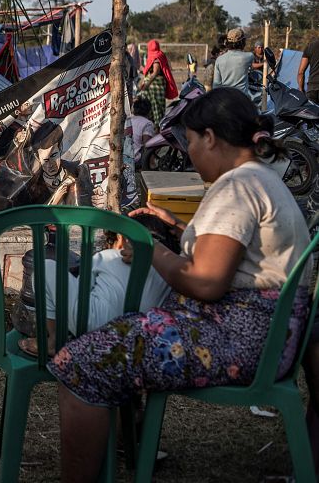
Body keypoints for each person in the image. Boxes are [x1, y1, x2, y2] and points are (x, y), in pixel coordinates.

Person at [48, 87, 311, 483]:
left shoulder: (236, 187)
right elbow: (238, 254)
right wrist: (178, 227)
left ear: (210, 137)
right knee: (121, 335)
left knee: (79, 362)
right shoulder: (260, 179)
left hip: (239, 337)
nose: (188, 152)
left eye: (189, 141)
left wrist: (152, 247)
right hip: (268, 333)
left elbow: (204, 282)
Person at [17, 215, 174, 356]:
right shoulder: (173, 270)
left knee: (46, 268)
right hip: (143, 335)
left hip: (94, 325)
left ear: (123, 239)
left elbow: (83, 288)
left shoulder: (108, 257)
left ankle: (54, 340)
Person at [17, 121, 93, 207]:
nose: (50, 164)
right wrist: (54, 201)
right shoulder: (32, 186)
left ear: (60, 148)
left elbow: (88, 200)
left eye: (53, 156)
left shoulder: (78, 170)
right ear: (37, 157)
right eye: (45, 160)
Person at [138, 39, 177, 124]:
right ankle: (153, 126)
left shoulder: (156, 56)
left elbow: (155, 72)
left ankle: (157, 129)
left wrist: (147, 84)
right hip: (153, 86)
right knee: (152, 106)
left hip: (156, 86)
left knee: (157, 108)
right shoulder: (158, 55)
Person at [213, 27, 253, 95]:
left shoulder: (219, 60)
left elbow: (216, 85)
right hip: (242, 99)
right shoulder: (249, 57)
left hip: (225, 99)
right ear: (242, 42)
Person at [130, 96, 155, 167]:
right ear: (149, 111)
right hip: (134, 160)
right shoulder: (147, 123)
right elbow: (147, 146)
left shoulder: (128, 120)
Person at [299, 35, 319, 103]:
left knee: (311, 113)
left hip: (312, 89)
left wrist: (301, 90)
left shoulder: (310, 46)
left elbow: (300, 72)